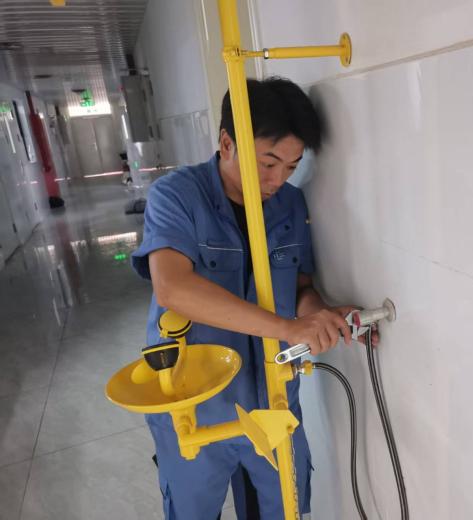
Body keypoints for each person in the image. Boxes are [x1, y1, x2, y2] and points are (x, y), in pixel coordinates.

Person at [131, 77, 377, 520]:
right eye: (268, 163)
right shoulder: (177, 196)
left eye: (292, 166)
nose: (277, 179)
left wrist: (321, 316)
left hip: (273, 399)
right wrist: (287, 328)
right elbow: (172, 288)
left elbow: (299, 288)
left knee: (282, 508)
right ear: (227, 143)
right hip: (195, 403)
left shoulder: (290, 206)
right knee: (191, 510)